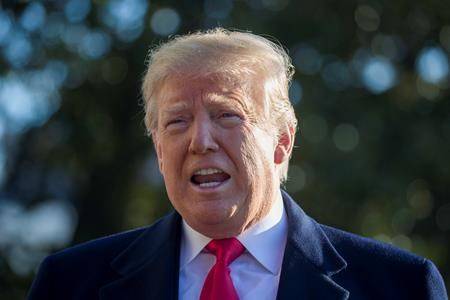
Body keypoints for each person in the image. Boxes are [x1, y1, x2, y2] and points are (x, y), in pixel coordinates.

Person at [28, 28, 447, 300]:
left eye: (227, 115)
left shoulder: (401, 286)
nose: (200, 141)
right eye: (177, 121)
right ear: (158, 150)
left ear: (282, 142)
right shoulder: (69, 284)